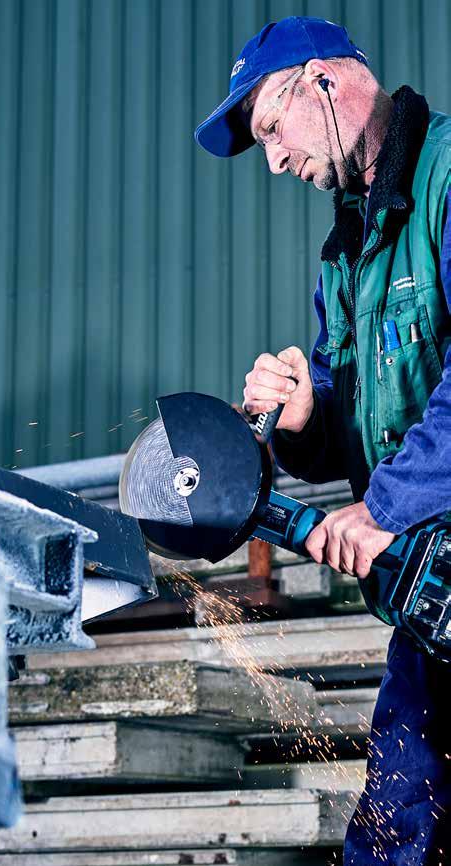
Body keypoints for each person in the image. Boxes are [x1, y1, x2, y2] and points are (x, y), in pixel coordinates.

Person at [195, 16, 451, 865]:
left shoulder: (450, 175)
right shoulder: (345, 252)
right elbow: (358, 417)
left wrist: (385, 507)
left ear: (327, 83)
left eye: (271, 125)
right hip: (433, 608)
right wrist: (307, 419)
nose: (272, 160)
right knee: (395, 838)